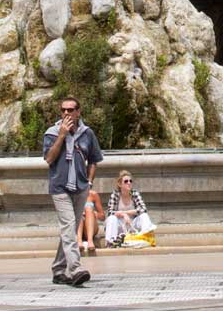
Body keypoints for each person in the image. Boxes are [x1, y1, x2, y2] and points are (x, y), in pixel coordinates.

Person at [43, 95, 102, 286]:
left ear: (78, 112)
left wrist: (89, 183)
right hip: (60, 188)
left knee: (68, 229)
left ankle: (59, 270)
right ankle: (75, 269)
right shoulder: (52, 133)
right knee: (69, 227)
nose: (66, 113)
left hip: (80, 188)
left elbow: (94, 159)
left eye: (70, 110)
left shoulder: (87, 134)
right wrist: (61, 135)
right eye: (63, 110)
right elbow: (49, 159)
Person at [103, 170, 153, 246]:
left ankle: (146, 239)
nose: (129, 183)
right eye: (126, 181)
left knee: (144, 216)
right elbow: (110, 212)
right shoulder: (115, 194)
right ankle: (110, 242)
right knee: (111, 218)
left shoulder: (134, 193)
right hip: (120, 225)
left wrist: (125, 213)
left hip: (132, 224)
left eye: (130, 181)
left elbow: (143, 209)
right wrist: (123, 215)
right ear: (120, 184)